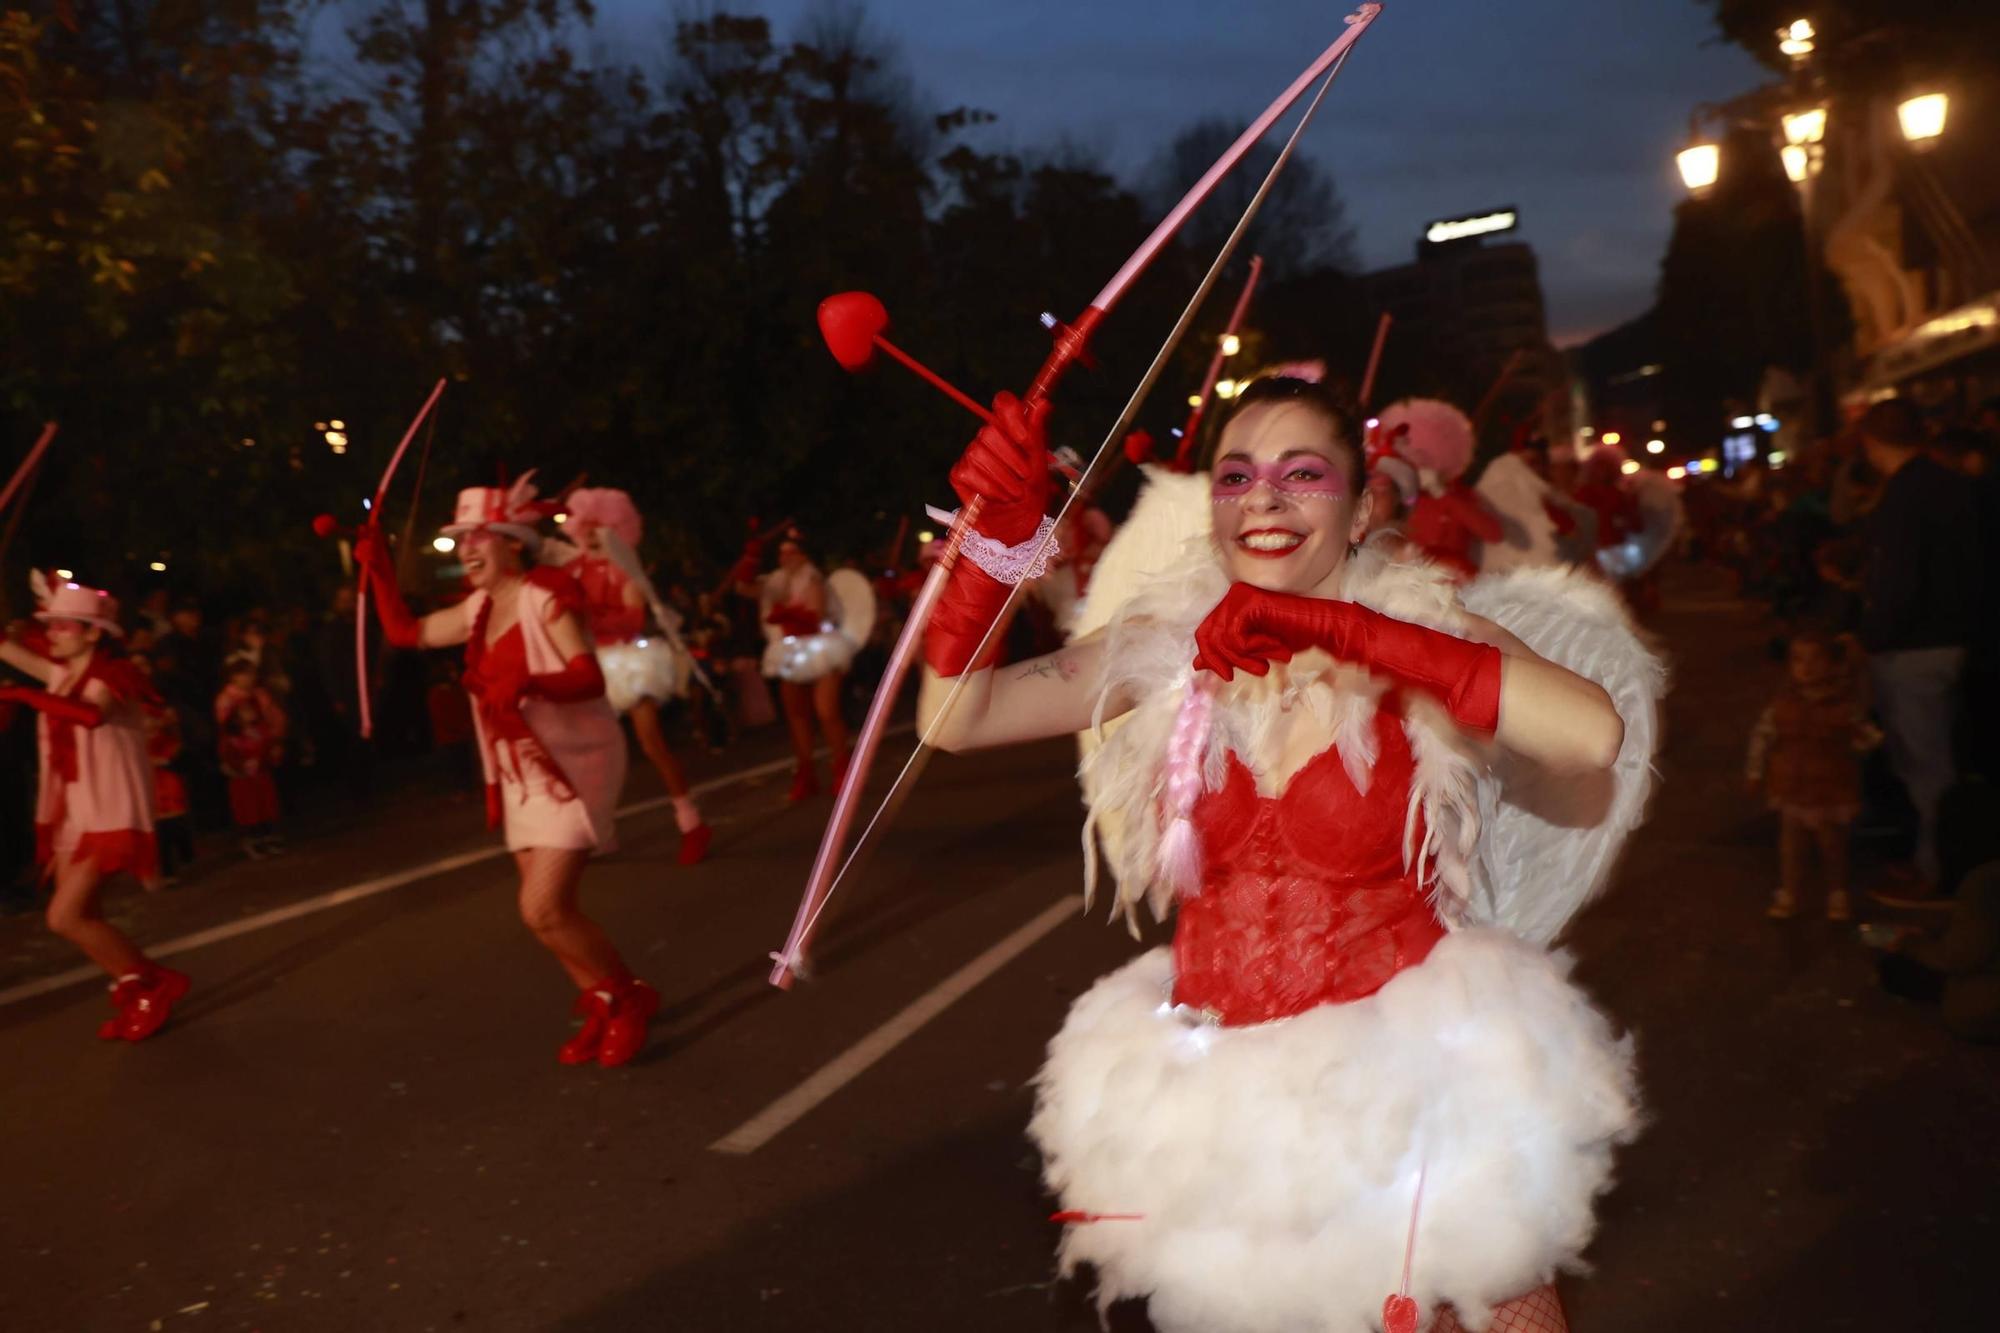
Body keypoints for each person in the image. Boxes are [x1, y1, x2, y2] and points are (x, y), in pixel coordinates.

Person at [909, 377, 1661, 1332]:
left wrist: (1359, 638)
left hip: (1409, 1113)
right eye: (1236, 477)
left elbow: (1592, 734)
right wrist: (989, 553)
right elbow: (955, 717)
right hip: (1226, 1116)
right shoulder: (1168, 641)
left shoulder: (1424, 633)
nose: (1263, 499)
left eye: (1302, 474)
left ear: (1362, 506)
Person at [355, 476, 657, 1068]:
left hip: (573, 766)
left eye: (480, 537)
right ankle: (600, 997)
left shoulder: (545, 596)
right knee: (548, 916)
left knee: (542, 909)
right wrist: (378, 569)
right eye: (461, 539)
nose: (467, 549)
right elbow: (405, 633)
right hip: (521, 774)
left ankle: (626, 999)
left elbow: (588, 677)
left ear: (514, 541)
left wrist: (529, 683)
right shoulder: (477, 608)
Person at [0, 578, 183, 1042]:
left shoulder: (112, 675)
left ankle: (152, 983)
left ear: (93, 632)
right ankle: (133, 987)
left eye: (65, 625)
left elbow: (88, 715)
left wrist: (21, 696)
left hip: (108, 813)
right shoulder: (58, 674)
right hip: (74, 815)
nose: (55, 632)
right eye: (52, 625)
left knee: (64, 917)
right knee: (87, 916)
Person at [1855, 398, 1982, 903]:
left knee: (1926, 765)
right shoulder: (1954, 486)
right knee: (1942, 757)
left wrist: (1871, 636)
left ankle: (1938, 872)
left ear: (1872, 442)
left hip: (1914, 647)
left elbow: (1899, 582)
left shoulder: (1904, 496)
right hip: (1958, 637)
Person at [555, 488, 711, 865]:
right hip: (593, 662)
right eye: (586, 525)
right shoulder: (571, 569)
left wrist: (589, 619)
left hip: (629, 661)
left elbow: (633, 618)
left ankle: (690, 821)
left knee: (650, 742)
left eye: (600, 525)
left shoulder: (626, 567)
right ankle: (601, 832)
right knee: (592, 753)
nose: (592, 532)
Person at [1746, 631, 1880, 921]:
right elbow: (1763, 736)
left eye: (1815, 660)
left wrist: (1852, 745)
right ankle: (1790, 892)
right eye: (1798, 660)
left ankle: (1837, 892)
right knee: (1790, 844)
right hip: (1792, 785)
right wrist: (1755, 772)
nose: (1806, 667)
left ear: (1832, 664)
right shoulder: (1782, 704)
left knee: (1831, 843)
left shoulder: (1844, 706)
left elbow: (1867, 737)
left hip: (1830, 787)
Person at [756, 529, 856, 801]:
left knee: (826, 711)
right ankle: (806, 772)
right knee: (797, 715)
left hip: (820, 646)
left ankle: (842, 768)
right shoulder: (775, 582)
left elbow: (816, 614)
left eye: (792, 552)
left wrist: (788, 613)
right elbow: (748, 591)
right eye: (782, 553)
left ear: (803, 554)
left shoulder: (813, 578)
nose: (785, 557)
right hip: (791, 649)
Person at [1376, 397, 1502, 580]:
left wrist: (1443, 494)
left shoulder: (1460, 495)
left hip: (1456, 580)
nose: (1420, 463)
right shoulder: (1398, 495)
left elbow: (1494, 534)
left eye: (1426, 456)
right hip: (1408, 577)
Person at [214, 652, 288, 857]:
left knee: (266, 795)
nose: (248, 678)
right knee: (247, 799)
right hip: (241, 755)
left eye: (251, 674)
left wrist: (275, 741)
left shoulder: (260, 695)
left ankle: (268, 834)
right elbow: (227, 728)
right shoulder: (226, 699)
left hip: (262, 752)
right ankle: (251, 838)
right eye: (243, 674)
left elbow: (274, 718)